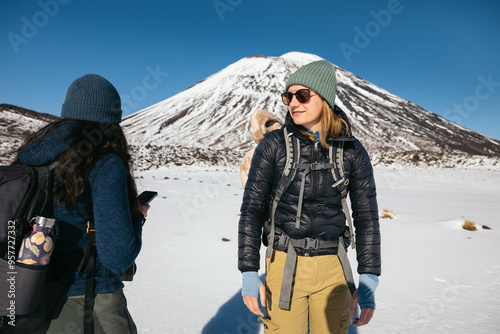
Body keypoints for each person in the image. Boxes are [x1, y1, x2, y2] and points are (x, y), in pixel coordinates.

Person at [238, 60, 381, 333]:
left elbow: (367, 217)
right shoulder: (274, 145)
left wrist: (369, 277)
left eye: (302, 95)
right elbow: (252, 209)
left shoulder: (351, 150)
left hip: (334, 268)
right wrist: (248, 270)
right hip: (284, 264)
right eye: (288, 96)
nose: (293, 102)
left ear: (325, 98)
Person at [15, 74, 148, 333]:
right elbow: (117, 256)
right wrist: (138, 217)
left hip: (28, 296)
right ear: (112, 119)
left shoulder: (32, 157)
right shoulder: (104, 163)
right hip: (89, 300)